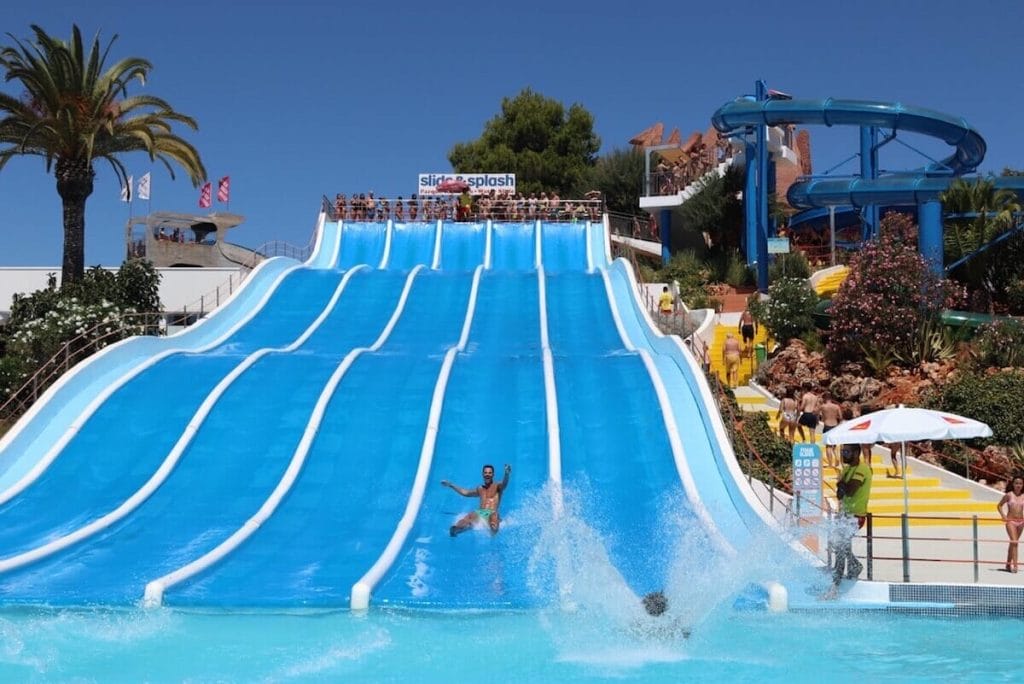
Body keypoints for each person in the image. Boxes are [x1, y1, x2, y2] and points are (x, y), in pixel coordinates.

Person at [824, 444, 873, 598]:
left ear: (856, 452)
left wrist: (842, 484)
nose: (843, 454)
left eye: (847, 452)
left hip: (856, 516)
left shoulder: (863, 469)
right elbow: (840, 494)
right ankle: (854, 566)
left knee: (840, 547)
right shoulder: (846, 470)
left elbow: (850, 489)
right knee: (839, 545)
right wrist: (842, 485)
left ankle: (835, 586)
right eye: (842, 451)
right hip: (844, 514)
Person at [441, 463, 511, 536]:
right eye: (485, 473)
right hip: (481, 513)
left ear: (493, 475)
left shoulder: (498, 486)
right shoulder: (480, 489)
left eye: (490, 473)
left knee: (494, 515)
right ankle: (456, 528)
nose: (487, 474)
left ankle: (493, 528)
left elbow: (504, 484)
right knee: (470, 516)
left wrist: (506, 474)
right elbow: (466, 493)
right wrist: (451, 485)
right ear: (483, 474)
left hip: (492, 513)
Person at [997, 475, 1024, 573]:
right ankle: (1015, 566)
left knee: (1013, 543)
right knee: (1015, 542)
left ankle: (1008, 564)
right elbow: (999, 506)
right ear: (1013, 484)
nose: (1018, 485)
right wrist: (1003, 516)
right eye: (1016, 483)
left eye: (1020, 483)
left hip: (1021, 522)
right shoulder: (1009, 495)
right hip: (1010, 521)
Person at [819, 392, 843, 468]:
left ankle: (830, 464)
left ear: (825, 398)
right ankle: (836, 458)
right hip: (835, 425)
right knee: (834, 445)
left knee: (828, 446)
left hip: (827, 425)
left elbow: (821, 417)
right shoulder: (836, 406)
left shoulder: (823, 406)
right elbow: (841, 417)